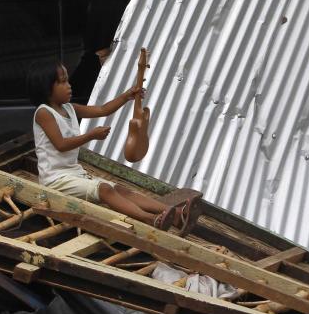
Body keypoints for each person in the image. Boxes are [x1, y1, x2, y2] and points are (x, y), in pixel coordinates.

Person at [28, 59, 196, 230]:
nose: (69, 85)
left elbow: (102, 110)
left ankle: (173, 213)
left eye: (67, 80)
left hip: (74, 174)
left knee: (122, 190)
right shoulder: (44, 113)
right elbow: (61, 145)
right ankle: (149, 219)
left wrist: (127, 96)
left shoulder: (69, 108)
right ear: (47, 87)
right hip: (55, 180)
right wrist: (91, 135)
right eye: (62, 81)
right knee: (105, 189)